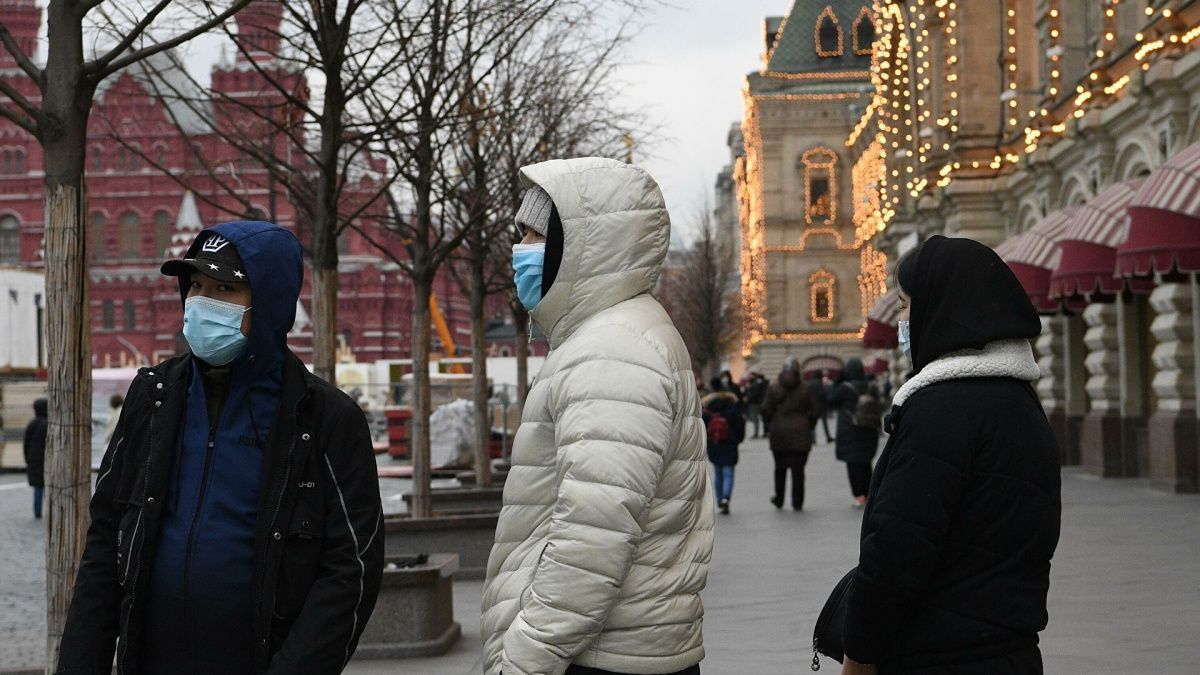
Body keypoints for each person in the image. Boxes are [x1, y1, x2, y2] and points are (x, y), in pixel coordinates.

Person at [58, 221, 384, 674]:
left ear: (267, 303)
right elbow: (106, 540)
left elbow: (351, 567)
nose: (202, 303)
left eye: (225, 289)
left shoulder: (324, 417)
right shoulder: (153, 397)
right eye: (196, 285)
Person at [481, 158, 713, 675]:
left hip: (597, 657)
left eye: (534, 234)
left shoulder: (613, 350)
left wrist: (522, 661)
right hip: (619, 647)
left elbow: (592, 540)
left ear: (581, 244)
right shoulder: (612, 335)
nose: (519, 248)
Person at [840, 236, 1061, 675]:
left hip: (936, 656)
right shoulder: (1021, 402)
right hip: (1011, 651)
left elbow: (896, 552)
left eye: (905, 305)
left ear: (941, 307)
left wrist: (859, 653)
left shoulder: (938, 409)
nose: (902, 319)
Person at [760, 357, 814, 511]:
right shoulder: (806, 388)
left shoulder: (774, 388)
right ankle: (797, 501)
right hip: (801, 433)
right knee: (798, 470)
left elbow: (765, 409)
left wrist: (772, 422)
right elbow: (815, 410)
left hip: (779, 433)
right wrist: (808, 424)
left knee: (780, 467)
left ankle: (779, 498)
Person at [827, 358, 882, 508]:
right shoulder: (870, 386)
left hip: (850, 430)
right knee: (865, 463)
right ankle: (869, 494)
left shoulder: (845, 388)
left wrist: (838, 381)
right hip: (869, 429)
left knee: (853, 465)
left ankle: (859, 496)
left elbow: (830, 400)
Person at [702, 387, 745, 515]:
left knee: (718, 473)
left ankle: (720, 498)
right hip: (730, 444)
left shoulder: (708, 411)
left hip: (715, 444)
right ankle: (726, 497)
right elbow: (740, 427)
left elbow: (702, 427)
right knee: (728, 473)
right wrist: (737, 440)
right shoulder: (733, 409)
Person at [22, 398, 47, 519]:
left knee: (38, 485)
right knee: (49, 485)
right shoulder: (48, 424)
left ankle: (37, 511)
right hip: (46, 458)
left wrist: (27, 457)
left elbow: (26, 442)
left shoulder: (32, 424)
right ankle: (50, 509)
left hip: (34, 458)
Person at [805, 370, 834, 443]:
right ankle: (828, 437)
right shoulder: (819, 382)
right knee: (825, 423)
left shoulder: (809, 383)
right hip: (821, 406)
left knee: (813, 424)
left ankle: (813, 439)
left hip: (812, 407)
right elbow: (822, 393)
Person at [743, 372, 768, 438]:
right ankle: (762, 433)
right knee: (757, 419)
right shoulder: (753, 384)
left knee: (755, 419)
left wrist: (748, 398)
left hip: (754, 403)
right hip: (756, 402)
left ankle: (756, 433)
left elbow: (754, 393)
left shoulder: (755, 384)